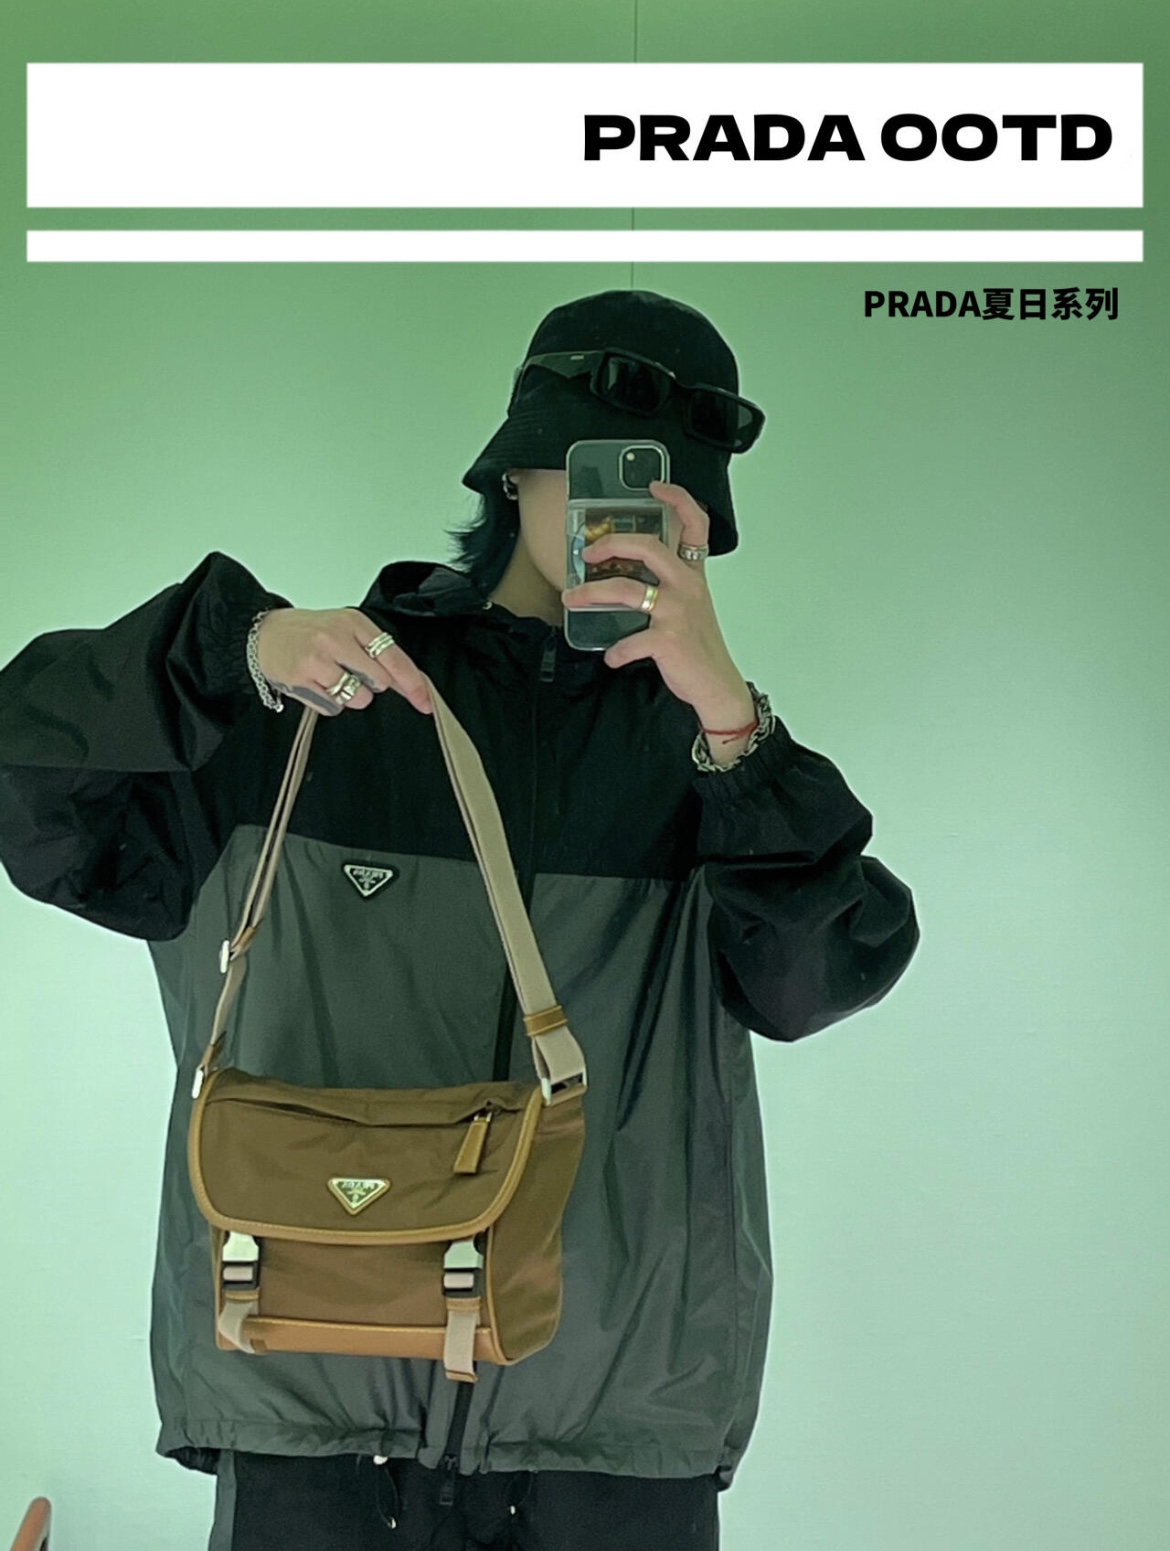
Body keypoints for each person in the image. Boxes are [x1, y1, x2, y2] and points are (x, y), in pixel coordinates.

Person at [0, 288, 920, 1550]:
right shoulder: (317, 710)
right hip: (316, 1419)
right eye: (602, 472)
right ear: (518, 470)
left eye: (671, 497)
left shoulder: (710, 766)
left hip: (610, 1447)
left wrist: (734, 726)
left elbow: (819, 977)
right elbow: (30, 775)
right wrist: (233, 648)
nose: (629, 513)